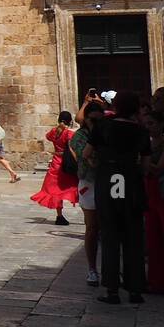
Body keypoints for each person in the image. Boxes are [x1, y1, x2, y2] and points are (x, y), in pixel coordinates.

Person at [84, 91, 150, 304]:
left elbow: (86, 154)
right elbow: (146, 166)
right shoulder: (140, 131)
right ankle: (135, 289)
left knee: (110, 234)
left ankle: (112, 289)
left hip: (109, 180)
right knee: (134, 236)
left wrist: (99, 163)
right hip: (130, 181)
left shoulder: (103, 125)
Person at [71, 102, 104, 286]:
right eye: (93, 120)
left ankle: (115, 268)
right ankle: (92, 269)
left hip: (112, 182)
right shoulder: (79, 136)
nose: (96, 123)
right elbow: (89, 159)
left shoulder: (108, 132)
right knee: (92, 227)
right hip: (89, 182)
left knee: (115, 224)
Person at [31, 111, 79, 226]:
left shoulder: (54, 132)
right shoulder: (68, 134)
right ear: (70, 121)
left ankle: (59, 216)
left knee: (56, 191)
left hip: (55, 163)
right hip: (66, 164)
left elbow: (48, 136)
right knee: (75, 186)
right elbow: (73, 147)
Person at [142, 110, 164, 295]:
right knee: (152, 238)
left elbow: (160, 169)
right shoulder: (148, 144)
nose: (148, 127)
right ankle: (155, 280)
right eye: (147, 123)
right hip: (150, 192)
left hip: (163, 193)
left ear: (161, 124)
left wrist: (142, 161)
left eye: (151, 123)